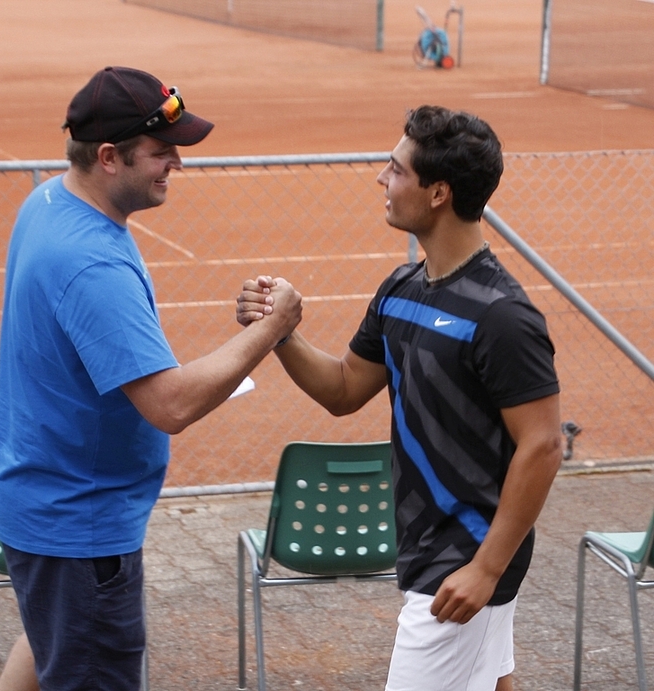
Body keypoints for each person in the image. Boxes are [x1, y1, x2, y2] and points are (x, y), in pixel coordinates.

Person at [0, 66, 302, 691]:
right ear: (109, 156)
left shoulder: (52, 200)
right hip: (80, 527)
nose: (177, 164)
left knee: (50, 647)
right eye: (161, 152)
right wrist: (272, 328)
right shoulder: (91, 261)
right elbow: (170, 404)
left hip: (45, 505)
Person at [236, 105, 562, 691]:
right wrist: (280, 332)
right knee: (492, 681)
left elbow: (542, 444)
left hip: (461, 563)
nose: (381, 180)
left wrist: (485, 568)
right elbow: (342, 389)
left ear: (437, 193)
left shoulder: (502, 315)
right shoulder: (400, 290)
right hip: (437, 553)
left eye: (395, 169)